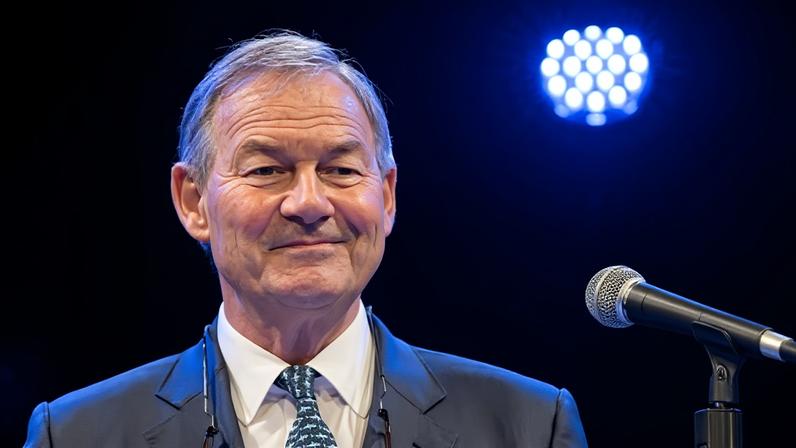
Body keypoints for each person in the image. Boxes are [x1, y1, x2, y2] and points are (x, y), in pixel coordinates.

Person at [24, 31, 588, 448]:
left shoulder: (528, 425)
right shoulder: (76, 434)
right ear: (193, 202)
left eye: (341, 170)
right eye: (267, 170)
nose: (309, 204)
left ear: (387, 196)